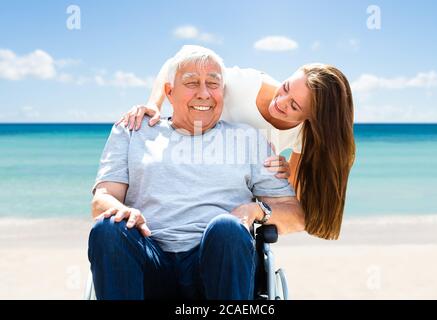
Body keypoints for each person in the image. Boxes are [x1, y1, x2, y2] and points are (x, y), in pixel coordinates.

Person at [89, 46, 305, 300]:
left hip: (215, 264)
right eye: (191, 83)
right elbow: (102, 198)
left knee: (227, 227)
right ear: (169, 92)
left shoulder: (249, 140)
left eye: (213, 84)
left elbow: (295, 216)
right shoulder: (132, 131)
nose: (204, 93)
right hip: (148, 258)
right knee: (108, 227)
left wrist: (257, 210)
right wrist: (119, 209)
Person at [117, 45, 356, 240]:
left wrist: (280, 174)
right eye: (285, 88)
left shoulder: (304, 135)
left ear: (311, 119)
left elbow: (287, 204)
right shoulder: (245, 84)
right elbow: (175, 66)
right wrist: (154, 104)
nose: (280, 101)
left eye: (294, 106)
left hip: (230, 190)